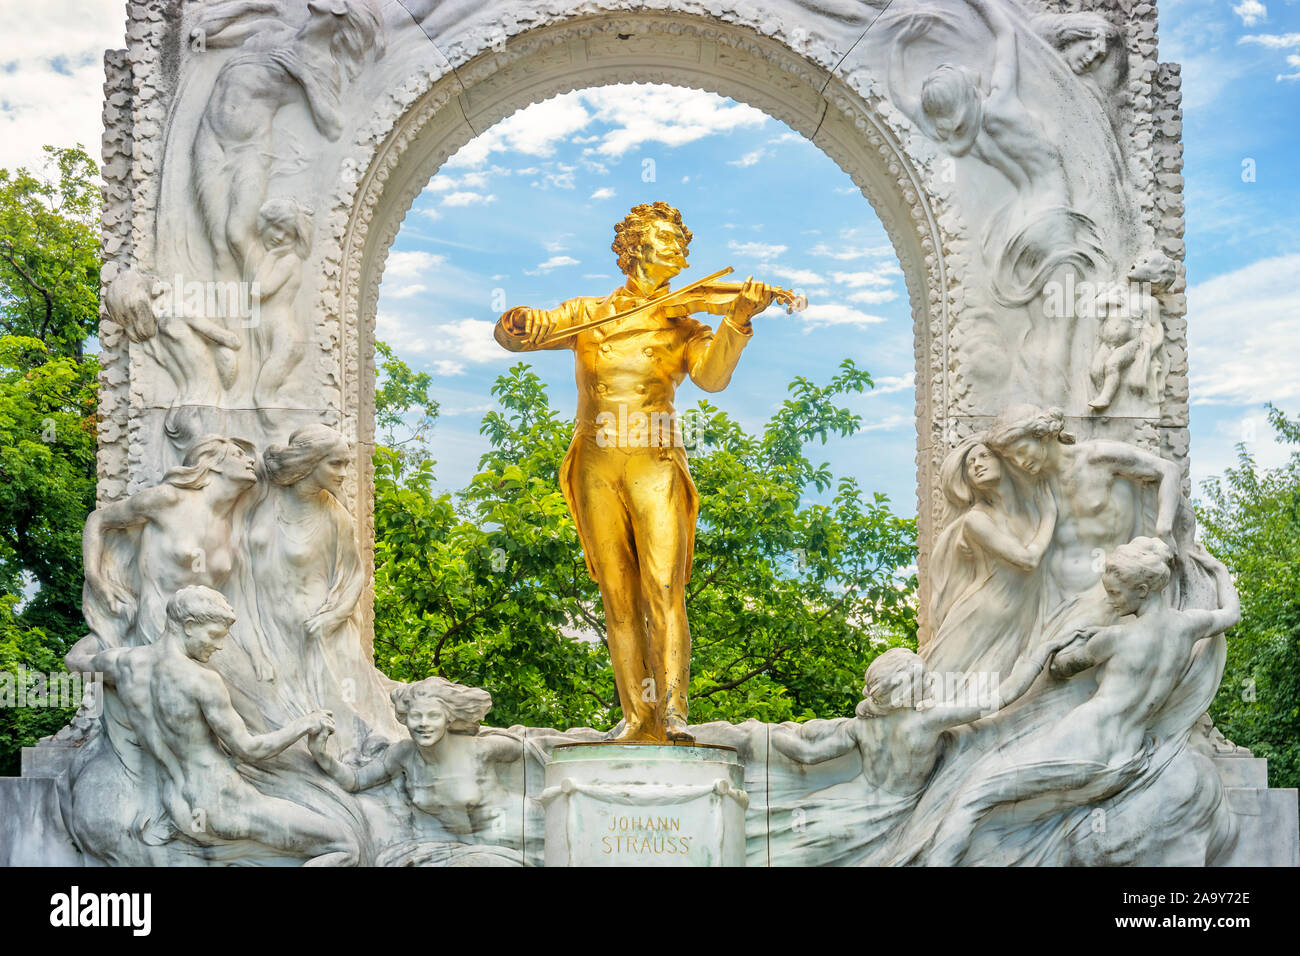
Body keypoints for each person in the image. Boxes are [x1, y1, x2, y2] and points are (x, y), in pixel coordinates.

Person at [492, 201, 780, 742]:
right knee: (617, 593)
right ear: (633, 249)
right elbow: (518, 337)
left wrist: (737, 319)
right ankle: (636, 716)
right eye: (666, 240)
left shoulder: (685, 324)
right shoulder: (588, 313)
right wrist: (517, 320)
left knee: (664, 584)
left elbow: (712, 379)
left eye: (680, 241)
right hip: (596, 460)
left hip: (654, 457)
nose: (680, 250)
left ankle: (671, 712)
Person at [916, 538, 1240, 866]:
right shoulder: (1187, 626)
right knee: (1023, 811)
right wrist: (1219, 570)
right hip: (1126, 756)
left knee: (971, 796)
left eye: (1115, 593)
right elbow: (1231, 614)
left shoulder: (1115, 638)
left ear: (1142, 589)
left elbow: (1061, 668)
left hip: (1084, 741)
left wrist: (1071, 639)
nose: (1111, 602)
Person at [66, 586, 357, 865]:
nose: (218, 646)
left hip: (177, 807)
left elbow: (74, 661)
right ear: (189, 625)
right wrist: (304, 724)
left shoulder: (123, 664)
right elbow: (249, 748)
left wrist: (106, 627)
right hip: (223, 803)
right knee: (343, 846)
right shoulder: (201, 680)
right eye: (215, 635)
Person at [767, 635, 1074, 865]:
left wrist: (773, 736)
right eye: (925, 678)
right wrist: (1041, 653)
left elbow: (808, 755)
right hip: (895, 811)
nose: (931, 681)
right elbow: (1002, 697)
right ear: (908, 688)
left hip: (852, 800)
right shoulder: (927, 721)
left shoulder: (861, 726)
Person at [309, 676, 524, 844]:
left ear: (448, 719)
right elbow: (355, 781)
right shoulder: (403, 754)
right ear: (405, 719)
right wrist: (321, 754)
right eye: (416, 716)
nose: (423, 723)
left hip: (517, 833)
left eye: (433, 716)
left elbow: (530, 752)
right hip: (453, 848)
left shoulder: (480, 749)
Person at [925, 437, 1056, 677]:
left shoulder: (1029, 507)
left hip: (1017, 617)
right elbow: (1028, 561)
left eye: (984, 456)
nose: (976, 465)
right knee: (938, 690)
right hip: (981, 617)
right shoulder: (976, 519)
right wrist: (1049, 517)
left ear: (1005, 461)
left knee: (991, 705)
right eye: (970, 463)